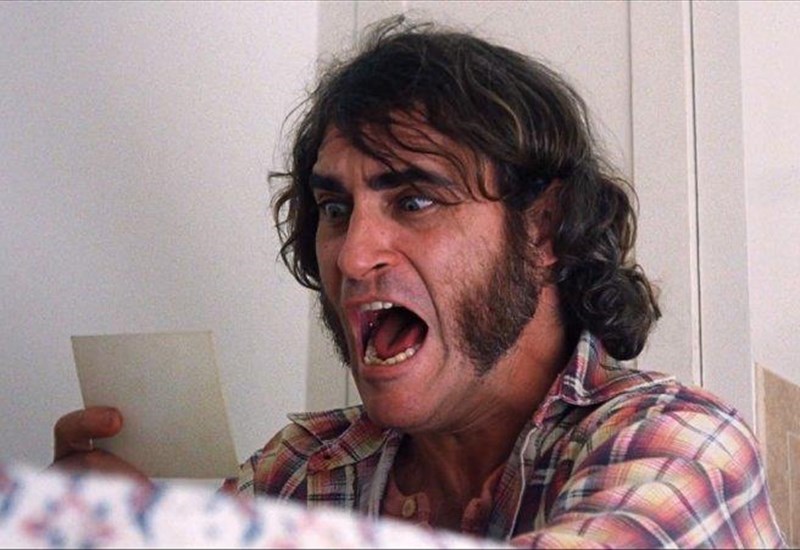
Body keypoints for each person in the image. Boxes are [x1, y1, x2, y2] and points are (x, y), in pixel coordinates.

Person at [52, 17, 785, 547]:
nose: (351, 256)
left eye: (415, 201)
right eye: (335, 209)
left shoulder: (679, 445)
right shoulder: (300, 471)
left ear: (543, 228)